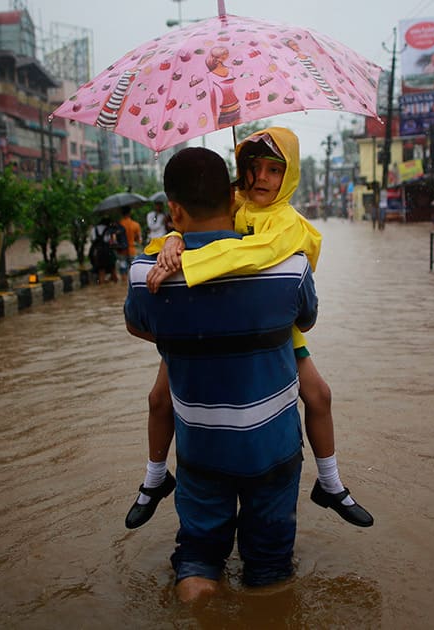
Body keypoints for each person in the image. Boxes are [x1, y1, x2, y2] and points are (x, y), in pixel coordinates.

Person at [124, 127, 373, 532]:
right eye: (252, 167)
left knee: (319, 395)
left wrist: (188, 262)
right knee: (157, 400)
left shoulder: (287, 225)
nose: (260, 178)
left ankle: (329, 481)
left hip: (273, 328)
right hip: (208, 323)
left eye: (274, 170)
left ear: (289, 176)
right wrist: (172, 240)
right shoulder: (235, 203)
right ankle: (154, 478)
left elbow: (252, 254)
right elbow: (196, 222)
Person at [124, 146, 318, 601]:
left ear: (173, 209)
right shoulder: (288, 266)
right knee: (270, 573)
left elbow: (139, 326)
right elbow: (305, 322)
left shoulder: (145, 277)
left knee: (195, 565)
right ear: (235, 199)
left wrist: (195, 336)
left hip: (201, 452)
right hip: (273, 451)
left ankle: (196, 601)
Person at [88, 213, 126, 284]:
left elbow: (93, 239)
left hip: (99, 252)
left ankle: (102, 286)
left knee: (101, 271)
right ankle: (116, 286)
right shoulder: (109, 229)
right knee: (113, 270)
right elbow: (111, 241)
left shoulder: (94, 229)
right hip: (108, 251)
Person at [117, 206, 143, 282]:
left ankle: (123, 285)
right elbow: (139, 240)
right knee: (134, 272)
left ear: (121, 214)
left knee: (123, 271)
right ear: (130, 213)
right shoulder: (136, 225)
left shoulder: (118, 224)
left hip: (121, 251)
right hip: (132, 250)